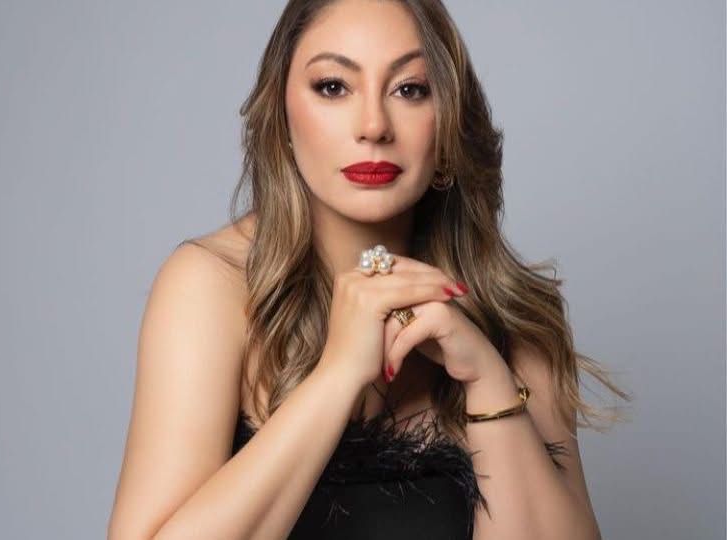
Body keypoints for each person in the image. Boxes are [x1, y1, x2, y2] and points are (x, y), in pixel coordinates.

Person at [108, 1, 631, 538]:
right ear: (281, 114)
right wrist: (338, 374)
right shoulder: (210, 288)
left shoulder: (514, 312)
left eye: (410, 89)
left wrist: (489, 382)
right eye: (334, 87)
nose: (374, 126)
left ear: (449, 121)